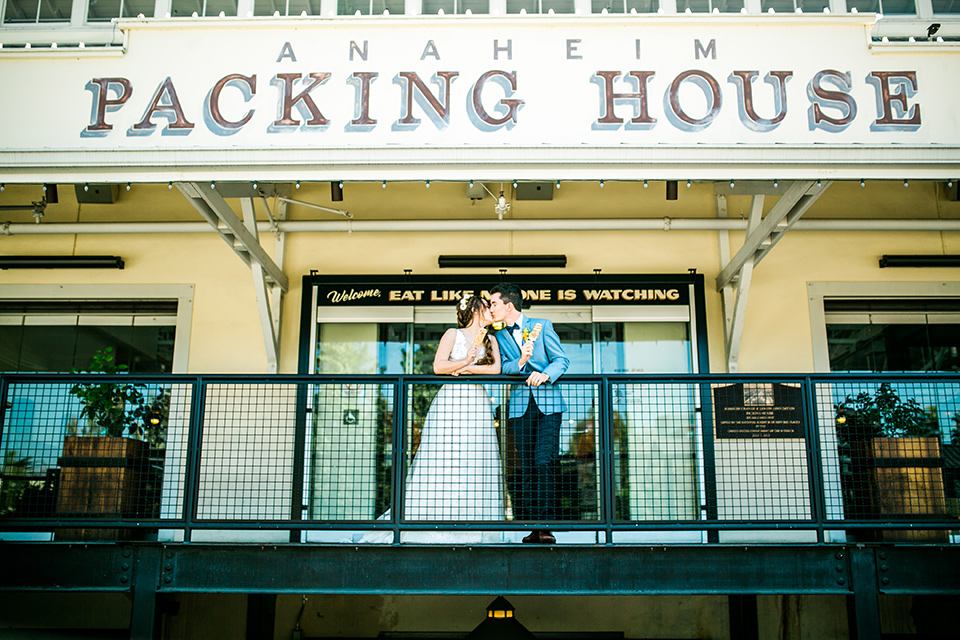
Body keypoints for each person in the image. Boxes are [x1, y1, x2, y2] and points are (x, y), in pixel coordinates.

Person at [366, 294, 504, 544]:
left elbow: (495, 370)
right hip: (452, 400)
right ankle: (436, 521)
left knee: (475, 457)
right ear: (474, 310)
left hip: (477, 402)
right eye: (486, 307)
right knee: (446, 456)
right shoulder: (453, 334)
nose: (491, 311)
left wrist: (466, 368)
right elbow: (439, 366)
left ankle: (473, 525)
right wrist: (463, 360)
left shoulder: (491, 339)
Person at [489, 282, 570, 544]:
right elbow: (502, 370)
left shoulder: (542, 325)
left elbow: (562, 360)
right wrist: (522, 362)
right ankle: (533, 526)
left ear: (508, 305)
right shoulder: (498, 336)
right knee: (526, 466)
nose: (491, 308)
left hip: (549, 406)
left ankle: (546, 527)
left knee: (544, 461)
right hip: (519, 409)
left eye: (494, 304)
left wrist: (546, 374)